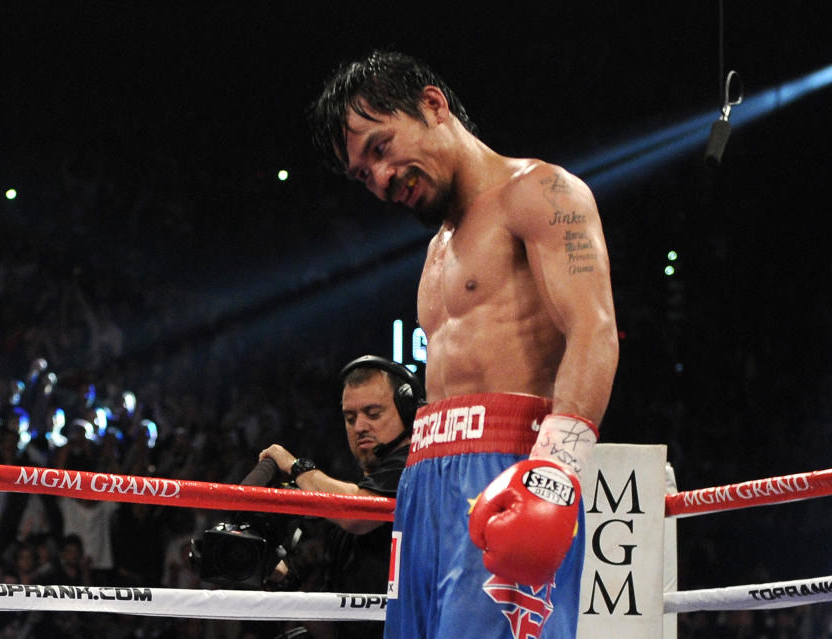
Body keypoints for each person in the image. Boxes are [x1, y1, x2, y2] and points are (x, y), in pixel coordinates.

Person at [309, 51, 619, 639]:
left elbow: (593, 329)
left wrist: (552, 477)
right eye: (361, 175)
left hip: (507, 472)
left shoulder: (541, 191)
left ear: (432, 106)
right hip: (424, 482)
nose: (378, 180)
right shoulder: (435, 251)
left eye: (379, 148)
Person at [259, 355, 425, 639]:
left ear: (408, 411)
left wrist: (295, 467)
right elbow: (338, 629)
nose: (360, 426)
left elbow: (356, 513)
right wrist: (285, 581)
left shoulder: (417, 465)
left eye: (373, 414)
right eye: (350, 417)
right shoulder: (354, 504)